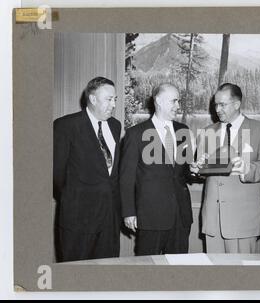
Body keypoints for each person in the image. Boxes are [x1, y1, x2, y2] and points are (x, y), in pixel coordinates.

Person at [192, 83, 260, 253]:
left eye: (223, 104)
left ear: (237, 104)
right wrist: (197, 168)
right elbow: (202, 171)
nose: (217, 109)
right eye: (216, 104)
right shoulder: (207, 132)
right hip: (213, 220)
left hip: (243, 220)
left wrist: (247, 169)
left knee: (242, 276)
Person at [120, 83, 194, 256]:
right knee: (147, 271)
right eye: (174, 101)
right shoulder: (135, 134)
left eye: (179, 101)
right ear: (159, 101)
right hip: (150, 216)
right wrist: (129, 212)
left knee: (179, 270)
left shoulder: (183, 131)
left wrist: (196, 169)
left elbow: (186, 173)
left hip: (181, 216)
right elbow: (126, 177)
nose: (178, 106)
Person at [53, 76, 121, 262]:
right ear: (92, 99)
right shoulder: (66, 126)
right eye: (109, 99)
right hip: (78, 219)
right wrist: (75, 197)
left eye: (115, 99)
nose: (113, 104)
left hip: (109, 220)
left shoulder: (115, 126)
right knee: (75, 275)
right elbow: (57, 175)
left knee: (107, 274)